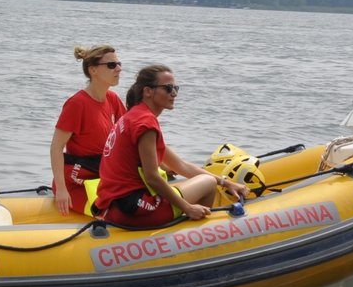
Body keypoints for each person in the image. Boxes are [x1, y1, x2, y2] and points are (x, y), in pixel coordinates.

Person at [94, 64, 250, 227]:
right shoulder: (145, 124)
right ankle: (199, 237)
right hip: (136, 210)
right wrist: (187, 207)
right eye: (168, 88)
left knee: (207, 180)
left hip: (116, 207)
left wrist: (226, 183)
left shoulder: (132, 116)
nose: (174, 93)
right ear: (148, 91)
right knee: (208, 183)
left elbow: (181, 166)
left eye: (176, 88)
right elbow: (152, 177)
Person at [49, 44, 127, 215]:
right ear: (93, 70)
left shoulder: (112, 99)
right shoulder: (77, 104)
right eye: (112, 65)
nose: (119, 69)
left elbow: (131, 136)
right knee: (115, 215)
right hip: (77, 180)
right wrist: (61, 190)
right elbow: (56, 147)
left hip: (102, 175)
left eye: (119, 64)